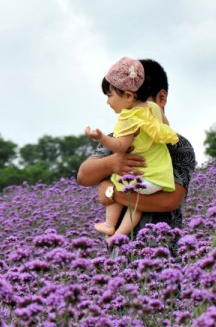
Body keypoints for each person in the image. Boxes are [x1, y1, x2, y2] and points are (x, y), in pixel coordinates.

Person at [77, 59, 196, 253]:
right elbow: (84, 175)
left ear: (161, 98)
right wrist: (112, 163)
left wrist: (112, 192)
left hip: (163, 258)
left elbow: (169, 201)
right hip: (119, 261)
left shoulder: (178, 146)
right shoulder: (119, 136)